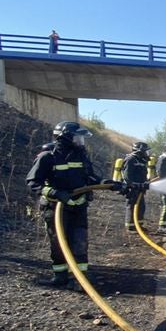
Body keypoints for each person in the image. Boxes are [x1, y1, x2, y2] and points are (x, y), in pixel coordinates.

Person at [26, 121, 100, 287]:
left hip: (79, 206)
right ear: (66, 137)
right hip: (55, 208)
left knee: (80, 241)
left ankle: (80, 277)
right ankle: (60, 276)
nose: (81, 141)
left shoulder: (81, 155)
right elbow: (33, 182)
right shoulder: (48, 157)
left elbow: (91, 178)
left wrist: (110, 183)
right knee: (58, 243)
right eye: (78, 137)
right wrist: (55, 193)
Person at [121, 141, 151, 231]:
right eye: (145, 151)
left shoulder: (140, 160)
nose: (147, 153)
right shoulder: (131, 159)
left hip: (140, 188)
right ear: (139, 151)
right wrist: (135, 184)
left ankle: (139, 225)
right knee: (131, 206)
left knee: (141, 206)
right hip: (132, 188)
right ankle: (130, 226)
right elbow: (127, 176)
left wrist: (145, 183)